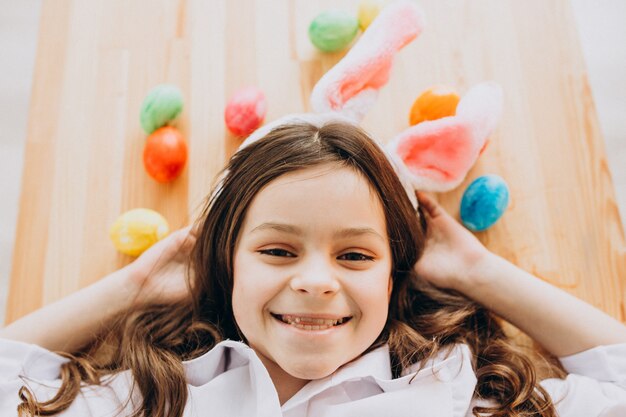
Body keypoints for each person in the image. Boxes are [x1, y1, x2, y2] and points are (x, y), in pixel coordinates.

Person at [1, 121, 625, 417]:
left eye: (355, 255)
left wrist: (480, 273)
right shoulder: (157, 393)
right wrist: (132, 287)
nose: (317, 280)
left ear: (393, 277)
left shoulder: (454, 392)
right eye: (277, 251)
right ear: (227, 264)